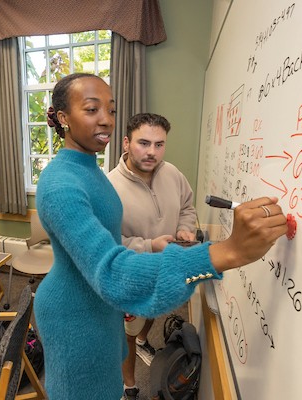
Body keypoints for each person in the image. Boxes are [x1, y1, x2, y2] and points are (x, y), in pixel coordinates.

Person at [33, 72, 287, 400]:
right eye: (92, 109)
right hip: (76, 313)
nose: (106, 120)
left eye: (111, 110)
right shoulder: (60, 184)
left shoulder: (88, 167)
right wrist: (225, 253)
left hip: (99, 303)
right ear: (63, 117)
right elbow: (111, 269)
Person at [107, 112, 197, 399]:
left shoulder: (173, 173)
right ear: (125, 143)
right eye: (143, 143)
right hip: (130, 275)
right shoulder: (108, 187)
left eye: (159, 144)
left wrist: (184, 229)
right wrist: (148, 245)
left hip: (164, 268)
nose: (151, 152)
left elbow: (187, 207)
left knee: (154, 312)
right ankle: (129, 386)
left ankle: (146, 338)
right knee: (126, 334)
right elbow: (107, 243)